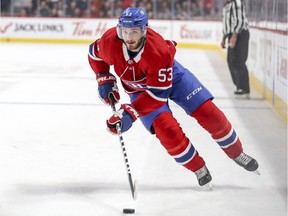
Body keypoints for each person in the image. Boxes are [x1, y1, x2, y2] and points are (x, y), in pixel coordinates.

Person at [88, 7, 259, 187]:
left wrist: (130, 113)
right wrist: (103, 78)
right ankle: (198, 168)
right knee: (167, 131)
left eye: (134, 32)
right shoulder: (109, 41)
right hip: (139, 92)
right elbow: (94, 55)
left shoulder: (158, 50)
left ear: (144, 30)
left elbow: (156, 96)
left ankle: (237, 153)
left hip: (174, 78)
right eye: (125, 31)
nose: (129, 37)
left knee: (209, 114)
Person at [221, 0, 250, 99]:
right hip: (232, 35)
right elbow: (226, 23)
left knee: (239, 61)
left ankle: (244, 89)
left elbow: (240, 20)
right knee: (231, 61)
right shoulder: (227, 5)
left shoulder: (237, 2)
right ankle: (239, 85)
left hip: (240, 34)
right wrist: (224, 37)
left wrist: (234, 36)